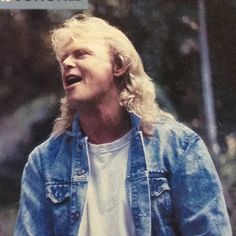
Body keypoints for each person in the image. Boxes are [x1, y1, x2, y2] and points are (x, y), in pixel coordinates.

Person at [14, 14, 232, 236]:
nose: (67, 64)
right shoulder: (44, 163)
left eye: (81, 54)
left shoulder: (178, 148)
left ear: (117, 65)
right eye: (63, 60)